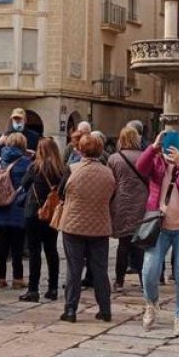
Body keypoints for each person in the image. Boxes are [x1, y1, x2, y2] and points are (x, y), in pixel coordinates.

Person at [137, 130, 179, 337]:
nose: (169, 149)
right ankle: (151, 303)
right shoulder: (157, 164)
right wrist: (154, 146)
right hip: (159, 229)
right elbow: (140, 167)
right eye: (166, 144)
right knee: (149, 270)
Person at [56, 133, 116, 323]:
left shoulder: (72, 169)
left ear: (80, 149)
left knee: (74, 269)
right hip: (99, 226)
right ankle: (105, 309)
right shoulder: (108, 172)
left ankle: (71, 310)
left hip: (74, 225)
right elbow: (112, 196)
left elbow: (60, 193)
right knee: (100, 269)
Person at [20, 136, 68, 302]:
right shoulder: (62, 169)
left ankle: (33, 290)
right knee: (51, 250)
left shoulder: (35, 167)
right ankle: (52, 288)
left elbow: (24, 184)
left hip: (34, 212)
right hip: (53, 214)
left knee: (34, 252)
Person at [108, 126, 147, 292]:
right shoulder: (145, 157)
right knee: (141, 244)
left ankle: (119, 280)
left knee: (123, 244)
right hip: (142, 202)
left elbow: (111, 183)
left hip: (121, 202)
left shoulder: (114, 159)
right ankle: (144, 279)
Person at [0, 132, 32, 288]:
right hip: (18, 208)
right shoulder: (26, 163)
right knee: (17, 246)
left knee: (1, 244)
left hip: (1, 206)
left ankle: (0, 278)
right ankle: (17, 278)